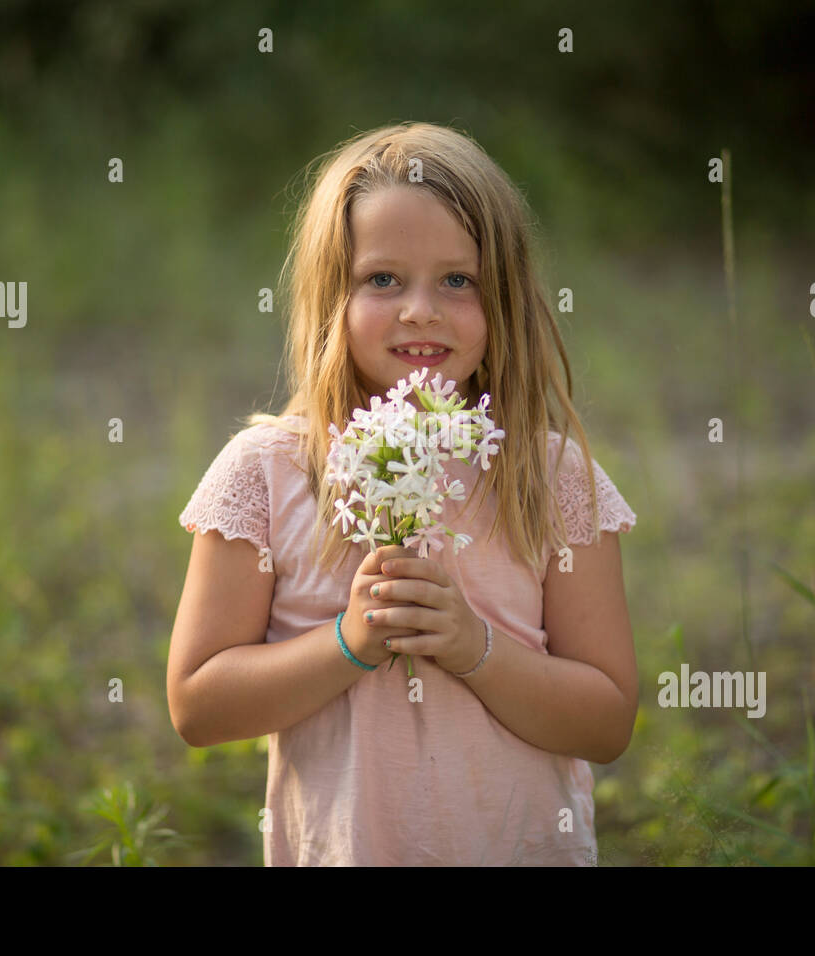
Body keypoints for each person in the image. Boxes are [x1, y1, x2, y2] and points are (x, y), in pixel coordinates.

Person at [167, 121, 639, 865]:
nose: (421, 309)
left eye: (458, 280)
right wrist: (348, 644)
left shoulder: (551, 479)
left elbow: (607, 722)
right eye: (383, 279)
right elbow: (197, 705)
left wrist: (473, 647)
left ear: (504, 299)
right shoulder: (267, 471)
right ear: (333, 297)